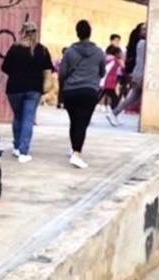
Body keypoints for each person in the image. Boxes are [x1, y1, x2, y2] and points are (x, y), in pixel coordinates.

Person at [0, 20, 52, 163]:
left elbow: (5, 68)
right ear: (35, 32)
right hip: (34, 89)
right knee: (28, 119)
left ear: (23, 32)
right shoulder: (42, 50)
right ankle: (23, 152)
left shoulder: (14, 48)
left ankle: (16, 147)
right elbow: (47, 69)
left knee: (18, 117)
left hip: (14, 89)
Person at [58, 19, 105, 169]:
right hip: (89, 91)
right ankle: (77, 153)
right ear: (90, 33)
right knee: (82, 123)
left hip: (70, 91)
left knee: (74, 121)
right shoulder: (98, 52)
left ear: (77, 33)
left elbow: (62, 72)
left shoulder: (70, 52)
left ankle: (74, 148)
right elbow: (102, 72)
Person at [109, 23, 147, 125]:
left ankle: (114, 112)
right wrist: (140, 76)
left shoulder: (141, 43)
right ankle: (114, 112)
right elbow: (141, 61)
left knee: (132, 98)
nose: (145, 31)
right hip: (141, 74)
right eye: (143, 29)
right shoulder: (143, 43)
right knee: (134, 98)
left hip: (139, 74)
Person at [100, 44, 124, 112]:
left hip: (104, 82)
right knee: (115, 99)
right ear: (116, 53)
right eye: (120, 53)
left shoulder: (106, 58)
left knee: (99, 97)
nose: (121, 54)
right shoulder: (115, 60)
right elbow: (123, 68)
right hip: (109, 82)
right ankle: (113, 113)